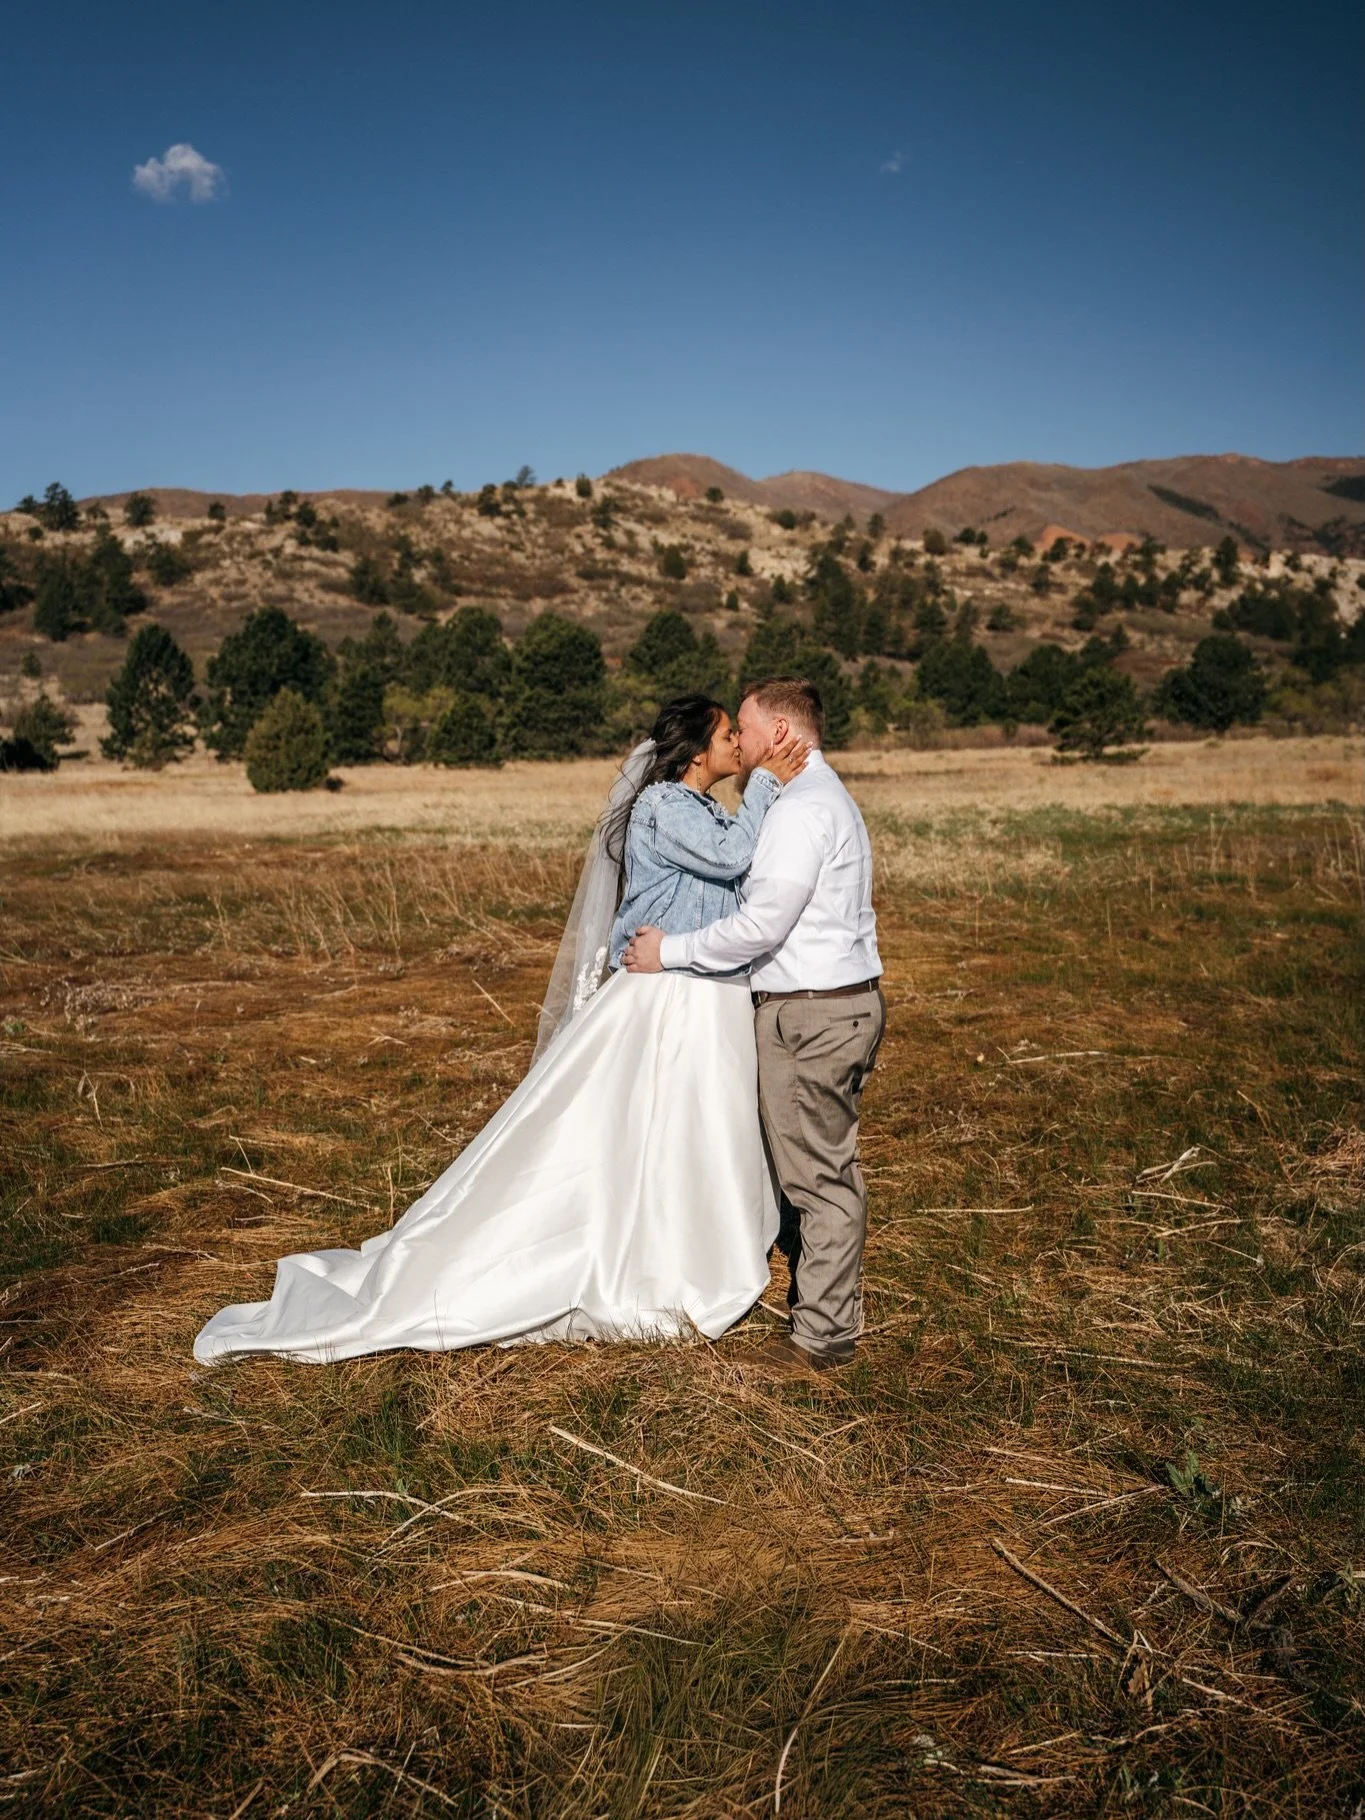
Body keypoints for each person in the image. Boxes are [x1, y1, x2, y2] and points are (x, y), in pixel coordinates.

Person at [192, 694, 808, 1365]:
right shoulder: (665, 806)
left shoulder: (699, 806)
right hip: (667, 996)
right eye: (726, 734)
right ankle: (642, 1255)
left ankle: (686, 1243)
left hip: (700, 990)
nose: (736, 745)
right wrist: (769, 782)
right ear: (694, 752)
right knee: (642, 1126)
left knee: (687, 1125)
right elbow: (730, 857)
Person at [625, 676, 884, 1378]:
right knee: (813, 1167)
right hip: (824, 1006)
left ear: (780, 733)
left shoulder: (801, 809)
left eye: (745, 726)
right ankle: (822, 1305)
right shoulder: (814, 798)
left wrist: (668, 952)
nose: (739, 740)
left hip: (812, 1013)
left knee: (818, 1178)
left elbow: (761, 923)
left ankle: (821, 1338)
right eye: (728, 732)